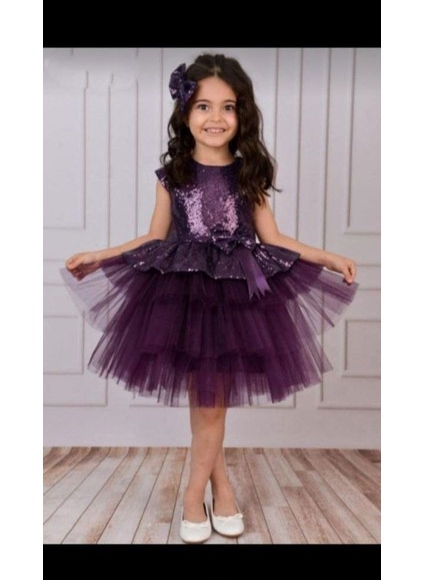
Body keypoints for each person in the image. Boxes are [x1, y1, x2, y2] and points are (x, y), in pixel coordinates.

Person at [60, 53, 359, 544]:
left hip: (237, 297)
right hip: (187, 295)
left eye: (227, 107)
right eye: (203, 106)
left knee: (211, 406)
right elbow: (153, 238)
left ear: (242, 115)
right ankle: (218, 490)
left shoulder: (248, 175)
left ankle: (193, 494)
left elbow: (274, 239)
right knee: (208, 404)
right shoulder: (172, 176)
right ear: (185, 113)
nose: (215, 118)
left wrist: (327, 257)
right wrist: (102, 254)